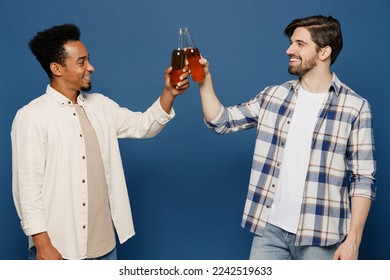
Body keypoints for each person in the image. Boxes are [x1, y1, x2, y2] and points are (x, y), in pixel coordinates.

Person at [196, 15, 376, 260]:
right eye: (292, 43)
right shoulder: (273, 96)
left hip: (320, 236)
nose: (289, 49)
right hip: (269, 231)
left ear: (324, 52)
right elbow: (222, 121)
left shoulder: (355, 107)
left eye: (300, 44)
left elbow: (362, 178)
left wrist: (353, 241)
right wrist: (204, 79)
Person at [11, 23, 189, 260]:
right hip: (60, 248)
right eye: (81, 62)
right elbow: (27, 189)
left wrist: (169, 93)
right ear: (57, 68)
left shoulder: (101, 105)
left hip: (106, 247)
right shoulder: (32, 116)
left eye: (88, 60)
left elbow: (143, 125)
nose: (90, 67)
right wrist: (43, 246)